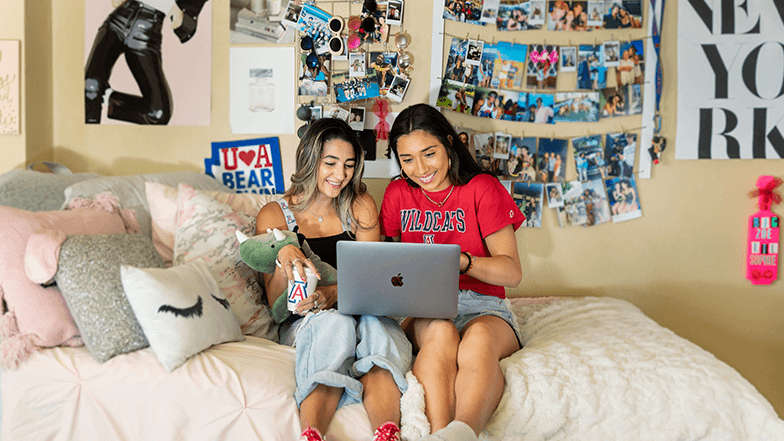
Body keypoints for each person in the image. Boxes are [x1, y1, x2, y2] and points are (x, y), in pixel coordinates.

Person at [255, 118, 411, 441]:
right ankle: (312, 434)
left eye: (349, 165)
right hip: (307, 321)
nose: (340, 175)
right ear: (310, 160)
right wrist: (285, 253)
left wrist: (334, 294)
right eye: (331, 163)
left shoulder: (360, 206)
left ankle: (387, 433)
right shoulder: (274, 214)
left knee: (377, 326)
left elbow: (375, 281)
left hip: (359, 307)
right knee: (334, 326)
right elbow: (275, 307)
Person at [379, 104, 525, 440]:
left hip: (483, 305)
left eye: (429, 153)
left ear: (449, 143)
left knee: (480, 339)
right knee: (442, 333)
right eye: (407, 159)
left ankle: (462, 433)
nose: (420, 168)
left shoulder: (482, 188)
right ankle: (440, 432)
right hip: (423, 305)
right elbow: (385, 262)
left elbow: (512, 272)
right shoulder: (397, 193)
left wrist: (465, 262)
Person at [85, 0, 209, 124]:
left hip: (147, 36)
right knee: (90, 86)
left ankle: (108, 98)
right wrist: (168, 4)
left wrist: (181, 18)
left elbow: (187, 25)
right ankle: (90, 138)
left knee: (158, 114)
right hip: (118, 21)